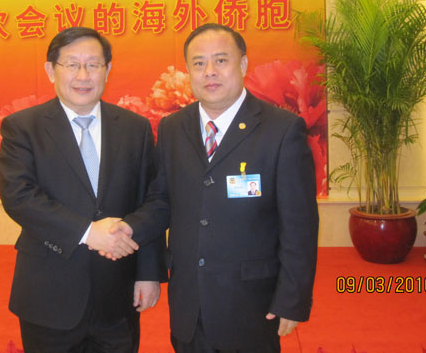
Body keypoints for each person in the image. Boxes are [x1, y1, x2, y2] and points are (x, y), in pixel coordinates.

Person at [112, 23, 319, 352]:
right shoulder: (173, 127)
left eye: (221, 60)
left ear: (243, 64)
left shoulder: (281, 130)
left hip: (251, 303)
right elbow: (161, 200)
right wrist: (129, 227)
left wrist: (292, 299)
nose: (209, 71)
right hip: (189, 300)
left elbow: (299, 225)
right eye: (198, 63)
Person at [0, 27, 167, 353]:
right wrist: (88, 232)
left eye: (93, 65)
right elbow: (20, 197)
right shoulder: (23, 127)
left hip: (118, 293)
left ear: (108, 69)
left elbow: (149, 202)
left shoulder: (135, 128)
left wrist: (148, 274)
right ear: (51, 70)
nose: (83, 75)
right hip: (49, 293)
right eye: (72, 64)